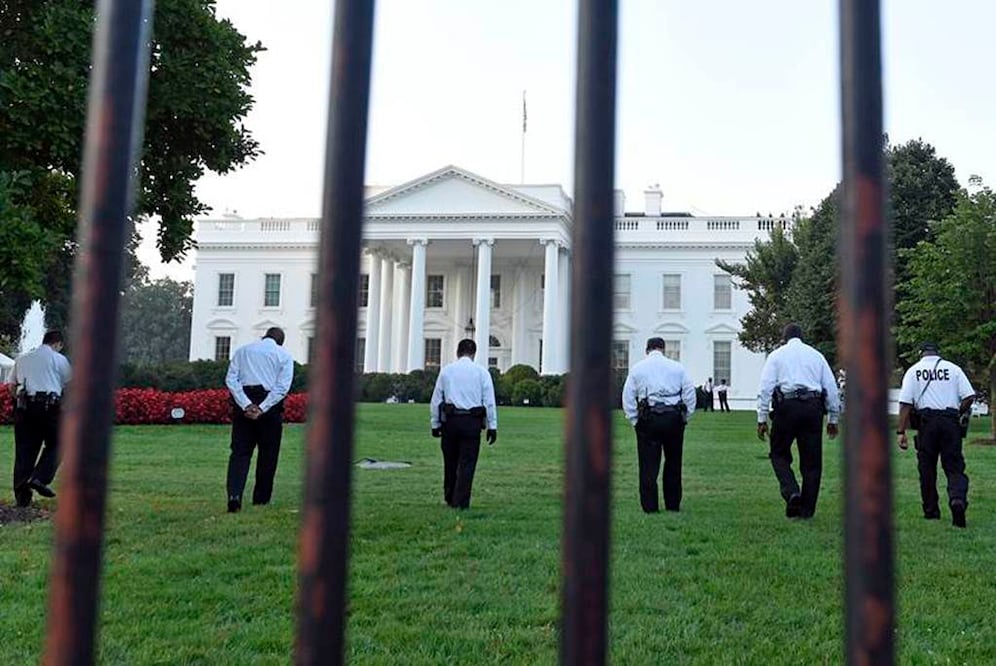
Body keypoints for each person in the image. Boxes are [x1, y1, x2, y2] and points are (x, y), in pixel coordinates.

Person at [756, 323, 840, 519]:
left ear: (784, 338)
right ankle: (807, 510)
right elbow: (831, 388)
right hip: (812, 407)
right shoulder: (816, 355)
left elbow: (765, 388)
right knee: (812, 462)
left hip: (786, 407)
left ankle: (791, 491)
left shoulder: (776, 356)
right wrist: (833, 418)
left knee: (778, 453)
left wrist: (761, 418)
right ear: (802, 337)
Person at [896, 341, 975, 528]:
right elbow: (969, 396)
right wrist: (957, 412)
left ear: (921, 353)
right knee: (954, 467)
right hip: (950, 422)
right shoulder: (953, 369)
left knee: (927, 469)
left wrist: (901, 431)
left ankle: (931, 511)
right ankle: (957, 499)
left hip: (927, 423)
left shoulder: (914, 371)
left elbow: (905, 403)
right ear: (937, 352)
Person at [622, 337, 697, 513]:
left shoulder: (638, 368)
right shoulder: (677, 367)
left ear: (647, 350)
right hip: (673, 418)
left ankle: (650, 506)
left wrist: (634, 420)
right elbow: (689, 393)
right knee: (673, 463)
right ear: (663, 349)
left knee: (648, 465)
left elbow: (628, 397)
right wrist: (685, 417)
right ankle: (672, 505)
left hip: (648, 417)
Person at [224, 326, 294, 513]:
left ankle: (234, 495)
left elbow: (231, 380)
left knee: (239, 453)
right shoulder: (284, 356)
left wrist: (246, 404)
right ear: (280, 341)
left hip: (244, 404)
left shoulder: (242, 351)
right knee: (268, 455)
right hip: (269, 407)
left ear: (264, 336)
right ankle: (261, 499)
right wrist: (262, 408)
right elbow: (281, 388)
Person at [429, 339, 498, 509]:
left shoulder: (447, 371)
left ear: (457, 352)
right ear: (474, 353)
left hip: (451, 421)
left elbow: (436, 399)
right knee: (467, 463)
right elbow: (489, 401)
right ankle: (461, 501)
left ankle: (449, 496)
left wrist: (435, 424)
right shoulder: (482, 372)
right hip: (471, 422)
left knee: (450, 461)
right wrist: (492, 426)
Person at [9, 330, 71, 507]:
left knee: (25, 451)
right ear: (58, 344)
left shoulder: (22, 358)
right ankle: (39, 477)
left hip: (24, 407)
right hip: (49, 407)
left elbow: (12, 387)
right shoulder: (59, 359)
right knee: (59, 442)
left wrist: (21, 401)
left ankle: (22, 498)